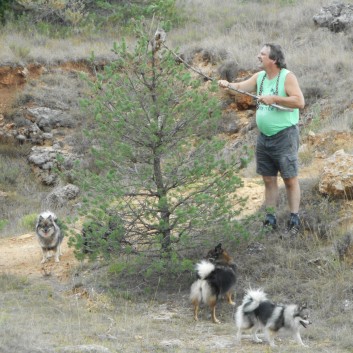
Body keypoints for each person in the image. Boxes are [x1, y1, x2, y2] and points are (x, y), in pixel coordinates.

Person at [218, 43, 305, 235]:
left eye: (262, 54)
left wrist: (274, 98)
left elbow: (299, 101)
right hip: (264, 138)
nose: (258, 56)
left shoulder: (287, 77)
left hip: (285, 136)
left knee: (290, 179)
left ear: (273, 59)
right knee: (268, 179)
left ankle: (294, 219)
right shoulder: (260, 77)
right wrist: (228, 85)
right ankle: (270, 219)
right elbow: (240, 88)